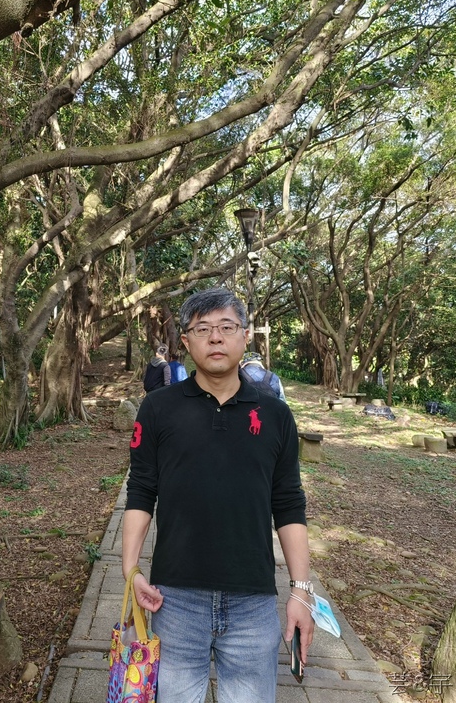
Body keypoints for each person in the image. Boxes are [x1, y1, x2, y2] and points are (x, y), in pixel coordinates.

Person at [122, 287, 314, 702]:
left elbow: (288, 503)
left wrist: (301, 590)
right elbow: (140, 490)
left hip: (254, 602)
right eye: (203, 329)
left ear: (245, 337)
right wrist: (130, 570)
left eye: (227, 327)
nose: (215, 338)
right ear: (186, 342)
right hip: (173, 600)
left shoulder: (275, 415)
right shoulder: (157, 409)